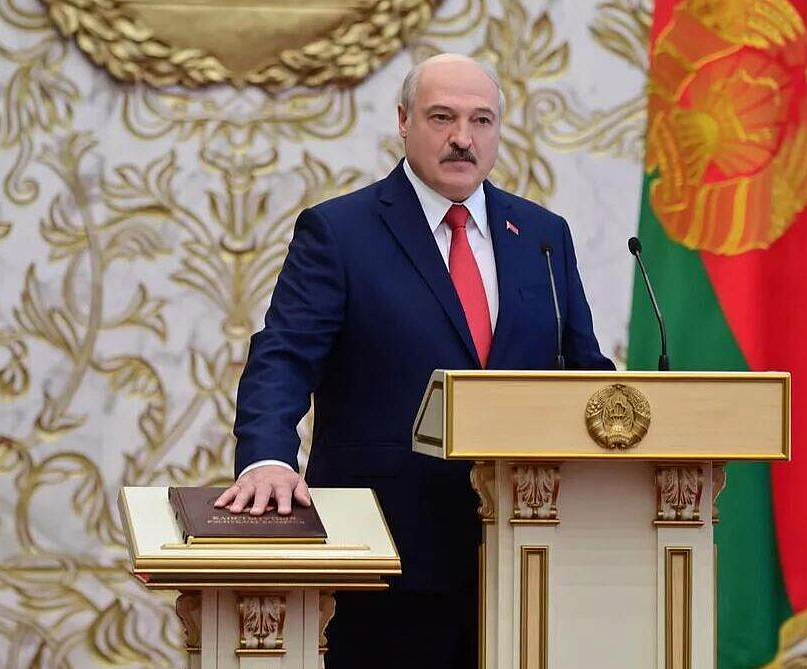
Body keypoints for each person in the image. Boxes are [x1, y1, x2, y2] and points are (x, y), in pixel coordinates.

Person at [215, 53, 615, 668]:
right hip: (388, 555)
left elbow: (584, 369)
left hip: (530, 552)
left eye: (481, 120)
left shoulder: (541, 235)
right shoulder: (340, 231)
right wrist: (268, 458)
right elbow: (284, 355)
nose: (463, 138)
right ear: (404, 121)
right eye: (442, 117)